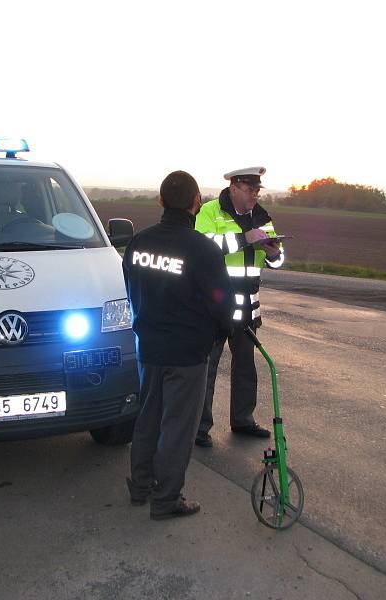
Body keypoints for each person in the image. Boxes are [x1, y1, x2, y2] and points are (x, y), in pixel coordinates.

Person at [123, 170, 233, 520]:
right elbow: (221, 301)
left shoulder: (138, 244)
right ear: (195, 203)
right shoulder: (202, 249)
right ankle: (167, 499)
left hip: (149, 348)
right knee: (178, 428)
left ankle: (140, 486)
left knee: (147, 419)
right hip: (187, 354)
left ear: (161, 201)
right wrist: (219, 332)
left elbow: (130, 289)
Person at [194, 166, 284, 448]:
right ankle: (199, 427)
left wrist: (274, 253)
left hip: (247, 309)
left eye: (257, 190)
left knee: (246, 368)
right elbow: (203, 247)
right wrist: (245, 239)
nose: (255, 195)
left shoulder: (262, 217)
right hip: (215, 308)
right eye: (250, 189)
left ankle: (243, 420)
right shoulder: (209, 212)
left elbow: (277, 261)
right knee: (206, 369)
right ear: (233, 187)